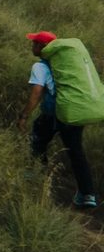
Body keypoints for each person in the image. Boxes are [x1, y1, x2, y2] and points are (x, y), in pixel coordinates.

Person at [21, 32, 99, 209]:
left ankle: (35, 179)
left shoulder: (40, 67)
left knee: (37, 142)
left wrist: (24, 115)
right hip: (73, 114)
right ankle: (88, 195)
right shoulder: (67, 66)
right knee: (76, 153)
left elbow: (37, 93)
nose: (32, 46)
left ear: (41, 47)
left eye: (34, 43)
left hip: (53, 114)